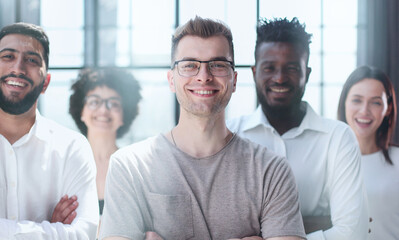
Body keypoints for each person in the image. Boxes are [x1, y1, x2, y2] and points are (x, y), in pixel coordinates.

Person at [99, 16, 306, 240]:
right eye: (189, 66)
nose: (204, 77)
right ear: (171, 80)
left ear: (234, 80)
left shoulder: (271, 171)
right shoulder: (130, 167)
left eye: (217, 65)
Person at [227, 18, 369, 240]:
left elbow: (353, 233)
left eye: (292, 68)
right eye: (269, 67)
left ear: (307, 73)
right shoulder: (230, 136)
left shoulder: (338, 138)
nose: (280, 77)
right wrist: (316, 225)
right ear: (254, 72)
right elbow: (217, 228)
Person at [0, 23, 98, 239]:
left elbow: (84, 234)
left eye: (32, 60)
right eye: (7, 56)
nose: (18, 68)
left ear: (46, 83)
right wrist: (51, 230)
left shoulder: (72, 147)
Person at [337, 66, 399, 239]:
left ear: (388, 108)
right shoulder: (325, 162)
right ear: (345, 102)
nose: (364, 111)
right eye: (357, 100)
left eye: (376, 102)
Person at [69, 68, 142, 215]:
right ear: (81, 111)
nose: (103, 110)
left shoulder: (134, 168)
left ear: (124, 114)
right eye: (94, 101)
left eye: (114, 104)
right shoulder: (67, 164)